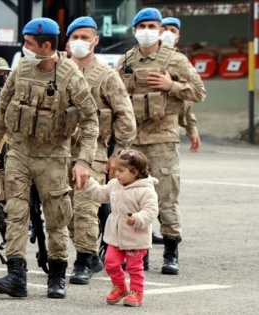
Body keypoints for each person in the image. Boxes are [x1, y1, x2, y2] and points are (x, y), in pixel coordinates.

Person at [0, 17, 99, 299]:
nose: (23, 48)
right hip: (20, 151)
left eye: (28, 44)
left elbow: (90, 121)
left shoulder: (71, 75)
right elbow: (2, 110)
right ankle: (16, 274)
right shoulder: (21, 68)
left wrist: (84, 161)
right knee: (15, 212)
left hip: (53, 156)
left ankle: (57, 276)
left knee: (56, 217)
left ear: (46, 46)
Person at [115, 8, 206, 275]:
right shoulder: (125, 61)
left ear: (160, 30)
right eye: (141, 26)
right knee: (131, 199)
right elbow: (115, 98)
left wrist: (172, 87)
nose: (146, 30)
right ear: (134, 30)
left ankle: (170, 251)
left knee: (166, 198)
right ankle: (138, 253)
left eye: (152, 26)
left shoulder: (174, 60)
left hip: (163, 140)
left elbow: (199, 92)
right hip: (132, 141)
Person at [66, 16, 137, 285]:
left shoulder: (107, 76)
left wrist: (117, 155)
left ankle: (84, 258)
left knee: (85, 206)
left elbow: (126, 118)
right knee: (64, 210)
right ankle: (91, 256)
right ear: (68, 41)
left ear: (95, 41)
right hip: (60, 151)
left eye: (86, 37)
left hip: (94, 151)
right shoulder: (59, 72)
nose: (80, 42)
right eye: (75, 37)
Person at [82, 149, 158, 307]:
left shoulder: (145, 190)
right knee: (110, 262)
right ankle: (120, 286)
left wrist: (137, 218)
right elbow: (100, 194)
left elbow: (151, 211)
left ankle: (136, 292)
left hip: (135, 236)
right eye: (116, 169)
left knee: (134, 267)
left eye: (121, 170)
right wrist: (88, 183)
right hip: (115, 235)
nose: (116, 173)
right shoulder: (115, 185)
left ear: (135, 172)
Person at [160, 17, 201, 153]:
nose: (168, 33)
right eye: (165, 29)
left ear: (177, 38)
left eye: (172, 31)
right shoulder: (138, 58)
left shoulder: (180, 61)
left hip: (166, 132)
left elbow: (195, 94)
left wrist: (191, 128)